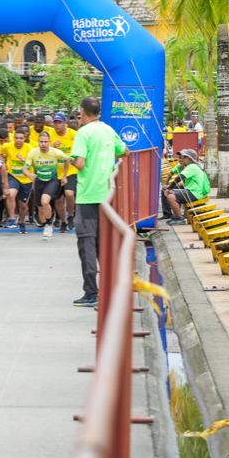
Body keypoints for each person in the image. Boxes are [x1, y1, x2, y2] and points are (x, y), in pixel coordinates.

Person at [70, 96, 127, 307]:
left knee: (87, 245)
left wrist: (70, 158)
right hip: (107, 196)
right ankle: (111, 288)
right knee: (103, 244)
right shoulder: (108, 130)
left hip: (87, 198)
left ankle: (91, 293)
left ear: (82, 111)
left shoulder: (83, 133)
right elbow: (125, 151)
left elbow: (81, 164)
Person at [23, 131, 70, 242]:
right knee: (40, 208)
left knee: (45, 201)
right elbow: (25, 168)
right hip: (39, 182)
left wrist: (64, 176)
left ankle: (49, 225)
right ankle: (47, 222)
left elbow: (67, 160)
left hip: (52, 181)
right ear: (38, 142)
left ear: (49, 142)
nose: (43, 144)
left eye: (45, 142)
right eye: (41, 142)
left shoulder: (56, 152)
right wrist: (28, 174)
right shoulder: (33, 153)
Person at [47, 112, 77, 232]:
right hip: (55, 172)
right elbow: (43, 151)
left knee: (69, 193)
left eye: (60, 123)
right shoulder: (50, 135)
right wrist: (52, 146)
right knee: (58, 200)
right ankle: (63, 221)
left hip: (70, 170)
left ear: (65, 124)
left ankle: (70, 215)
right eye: (55, 123)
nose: (57, 125)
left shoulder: (73, 134)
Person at [0, 127, 33, 232]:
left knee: (23, 205)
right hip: (13, 176)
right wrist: (3, 162)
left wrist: (23, 159)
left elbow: (35, 160)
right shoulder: (8, 146)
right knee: (11, 194)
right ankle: (12, 219)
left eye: (21, 138)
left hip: (26, 179)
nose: (18, 140)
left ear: (24, 138)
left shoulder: (29, 148)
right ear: (13, 138)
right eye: (16, 138)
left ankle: (22, 222)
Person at [162, 150, 209, 224]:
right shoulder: (188, 166)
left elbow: (180, 177)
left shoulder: (192, 167)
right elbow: (177, 177)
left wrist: (169, 188)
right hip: (190, 190)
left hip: (195, 192)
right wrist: (168, 187)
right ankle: (175, 216)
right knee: (173, 194)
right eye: (180, 157)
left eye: (184, 157)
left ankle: (180, 218)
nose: (181, 159)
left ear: (190, 159)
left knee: (171, 197)